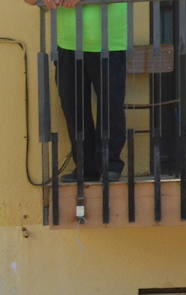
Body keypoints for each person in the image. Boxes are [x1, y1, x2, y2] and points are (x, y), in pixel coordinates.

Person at [25, 0, 128, 182]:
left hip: (109, 41)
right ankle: (86, 167)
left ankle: (110, 164)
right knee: (72, 104)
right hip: (68, 42)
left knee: (111, 103)